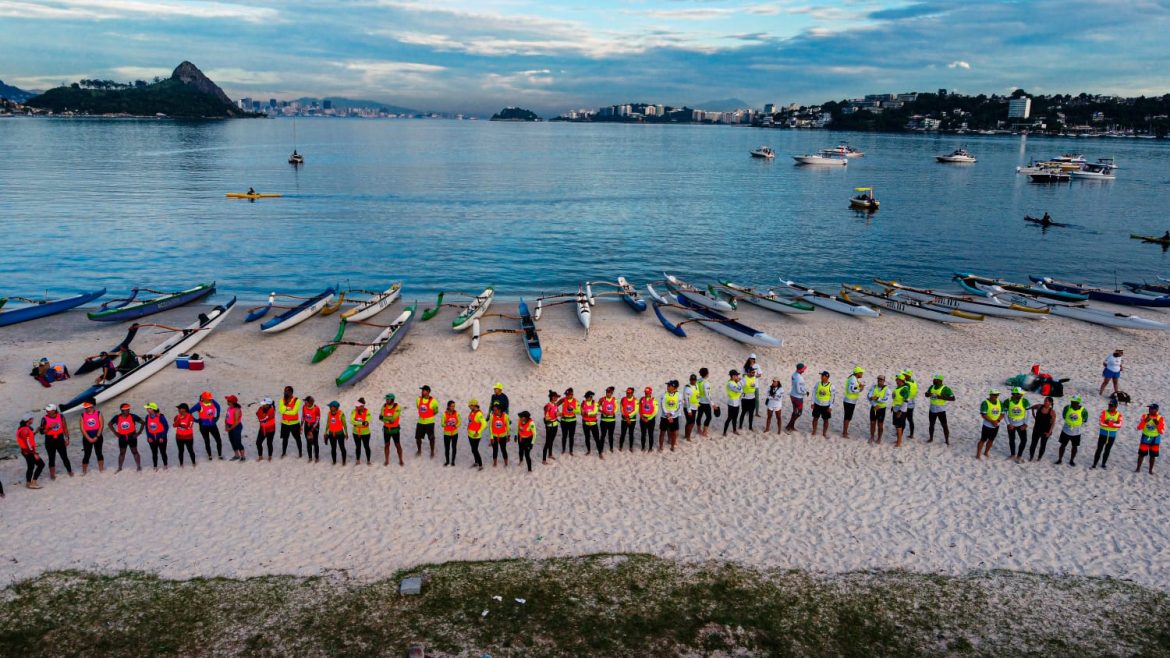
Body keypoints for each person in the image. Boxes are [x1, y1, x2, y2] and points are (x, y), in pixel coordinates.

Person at [39, 403, 72, 479]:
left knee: (64, 457)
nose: (47, 411)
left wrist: (67, 438)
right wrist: (49, 427)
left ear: (54, 410)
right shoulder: (44, 419)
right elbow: (41, 432)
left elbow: (65, 428)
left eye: (48, 410)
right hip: (50, 440)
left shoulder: (61, 416)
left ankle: (70, 471)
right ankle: (52, 475)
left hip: (60, 439)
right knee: (51, 458)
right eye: (46, 410)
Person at [107, 402, 144, 472]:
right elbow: (109, 424)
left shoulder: (133, 416)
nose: (128, 411)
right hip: (122, 437)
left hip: (132, 436)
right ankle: (120, 467)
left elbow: (143, 422)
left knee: (135, 451)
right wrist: (115, 433)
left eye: (128, 409)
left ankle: (139, 466)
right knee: (122, 453)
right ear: (122, 410)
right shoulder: (117, 417)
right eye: (126, 410)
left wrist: (139, 433)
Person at [1055, 395, 1087, 466]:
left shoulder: (1083, 410)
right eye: (1071, 401)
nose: (1072, 402)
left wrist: (1075, 423)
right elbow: (1064, 416)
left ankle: (1072, 460)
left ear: (1078, 402)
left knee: (1074, 446)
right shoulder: (1067, 407)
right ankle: (1060, 459)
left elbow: (1085, 419)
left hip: (1076, 432)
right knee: (1062, 445)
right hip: (1066, 430)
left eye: (1073, 401)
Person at [1092, 397, 1123, 469]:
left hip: (1112, 435)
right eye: (1109, 405)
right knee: (1099, 449)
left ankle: (1103, 464)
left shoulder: (1119, 415)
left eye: (1111, 406)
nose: (1109, 407)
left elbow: (1119, 425)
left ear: (1115, 407)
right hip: (1103, 434)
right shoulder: (1104, 412)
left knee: (1107, 450)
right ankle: (1094, 464)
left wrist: (1108, 422)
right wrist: (1114, 423)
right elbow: (1101, 423)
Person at [192, 391, 223, 460]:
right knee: (207, 441)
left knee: (218, 440)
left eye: (210, 398)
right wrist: (196, 420)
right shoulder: (199, 405)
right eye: (208, 398)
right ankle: (210, 456)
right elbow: (189, 412)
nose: (210, 399)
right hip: (203, 426)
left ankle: (220, 455)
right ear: (203, 398)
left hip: (213, 425)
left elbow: (218, 407)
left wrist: (217, 416)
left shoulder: (212, 401)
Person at [77, 398, 105, 475]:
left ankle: (101, 470)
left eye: (87, 407)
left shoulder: (98, 413)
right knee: (87, 454)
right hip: (87, 437)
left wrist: (97, 437)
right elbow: (82, 428)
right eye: (85, 408)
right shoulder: (82, 415)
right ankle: (84, 471)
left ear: (91, 407)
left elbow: (101, 426)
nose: (86, 409)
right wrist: (88, 438)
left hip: (98, 436)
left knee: (99, 453)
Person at [924, 374, 955, 444]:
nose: (933, 380)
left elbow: (953, 398)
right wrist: (928, 394)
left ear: (940, 381)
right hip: (932, 409)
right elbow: (926, 394)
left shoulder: (945, 389)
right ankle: (931, 438)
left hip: (941, 410)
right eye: (934, 379)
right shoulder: (932, 387)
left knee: (944, 425)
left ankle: (947, 440)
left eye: (935, 379)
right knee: (931, 424)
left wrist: (940, 397)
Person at [18, 415, 45, 489]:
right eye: (31, 419)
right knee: (41, 464)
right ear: (28, 420)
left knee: (31, 467)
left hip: (26, 451)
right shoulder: (25, 430)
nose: (33, 419)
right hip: (28, 452)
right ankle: (33, 482)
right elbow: (27, 442)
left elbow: (28, 437)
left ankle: (28, 483)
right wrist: (34, 453)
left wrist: (36, 431)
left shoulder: (23, 428)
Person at [1135, 403, 1163, 474]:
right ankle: (1138, 468)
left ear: (1156, 410)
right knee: (1141, 454)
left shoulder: (1160, 418)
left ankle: (1150, 470)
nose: (1150, 410)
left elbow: (1161, 431)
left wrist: (1158, 424)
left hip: (1155, 439)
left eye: (1152, 409)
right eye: (1149, 408)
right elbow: (1139, 428)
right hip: (1145, 437)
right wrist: (1144, 421)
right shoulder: (1144, 416)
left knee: (1153, 456)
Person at [1005, 387, 1031, 463]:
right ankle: (1012, 454)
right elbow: (1005, 414)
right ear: (1015, 394)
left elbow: (1029, 413)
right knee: (1012, 440)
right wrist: (1008, 424)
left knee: (1024, 440)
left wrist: (1026, 424)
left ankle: (1019, 456)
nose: (1021, 395)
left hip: (1021, 424)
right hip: (1011, 424)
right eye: (1020, 394)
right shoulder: (1007, 401)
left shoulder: (1025, 401)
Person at [976, 389, 1003, 461]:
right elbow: (983, 414)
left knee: (991, 440)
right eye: (994, 395)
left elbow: (1002, 413)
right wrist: (992, 421)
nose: (996, 396)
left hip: (996, 425)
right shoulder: (985, 403)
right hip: (987, 425)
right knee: (983, 440)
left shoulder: (1000, 403)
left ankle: (986, 452)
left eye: (997, 395)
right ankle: (978, 454)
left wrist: (997, 420)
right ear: (990, 395)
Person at [278, 386, 303, 459]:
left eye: (288, 391)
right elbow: (281, 411)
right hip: (285, 423)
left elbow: (294, 412)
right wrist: (288, 408)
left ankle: (300, 452)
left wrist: (285, 410)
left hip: (294, 423)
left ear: (291, 392)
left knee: (297, 438)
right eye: (285, 391)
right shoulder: (281, 401)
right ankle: (284, 452)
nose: (286, 392)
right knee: (285, 439)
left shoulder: (297, 400)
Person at [1028, 397, 1057, 461]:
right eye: (1045, 401)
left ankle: (1039, 457)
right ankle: (1031, 457)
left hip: (1045, 431)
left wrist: (1049, 432)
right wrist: (1032, 412)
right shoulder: (1039, 406)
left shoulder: (1052, 411)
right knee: (1033, 444)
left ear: (1050, 403)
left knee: (1043, 445)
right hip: (1036, 429)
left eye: (1047, 401)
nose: (1045, 402)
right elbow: (1033, 407)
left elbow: (1053, 423)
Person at [380, 393, 404, 466]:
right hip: (386, 429)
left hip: (395, 430)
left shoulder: (397, 407)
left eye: (388, 399)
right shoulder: (384, 406)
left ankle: (400, 460)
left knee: (397, 445)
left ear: (392, 399)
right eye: (386, 399)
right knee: (386, 445)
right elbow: (380, 417)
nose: (386, 401)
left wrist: (385, 419)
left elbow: (393, 418)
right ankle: (386, 460)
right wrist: (388, 420)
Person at [415, 385, 439, 458]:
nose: (422, 392)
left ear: (428, 392)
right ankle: (419, 450)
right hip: (420, 422)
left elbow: (436, 411)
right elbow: (418, 407)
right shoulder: (418, 399)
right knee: (418, 438)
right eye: (422, 390)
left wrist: (429, 416)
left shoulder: (434, 401)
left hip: (430, 423)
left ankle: (432, 451)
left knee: (431, 438)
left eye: (424, 390)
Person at [867, 375, 891, 445]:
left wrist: (877, 398)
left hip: (881, 409)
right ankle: (872, 436)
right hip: (874, 407)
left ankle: (879, 438)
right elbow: (869, 396)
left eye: (881, 380)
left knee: (880, 425)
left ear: (884, 381)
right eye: (878, 380)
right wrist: (875, 405)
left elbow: (886, 400)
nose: (879, 381)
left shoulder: (887, 389)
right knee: (872, 423)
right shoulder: (873, 387)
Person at [810, 371, 835, 439]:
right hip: (817, 404)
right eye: (821, 376)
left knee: (826, 420)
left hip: (826, 406)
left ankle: (824, 433)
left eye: (822, 376)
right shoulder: (818, 384)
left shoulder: (831, 386)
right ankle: (814, 431)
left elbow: (833, 397)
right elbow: (813, 394)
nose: (821, 377)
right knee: (815, 418)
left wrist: (830, 407)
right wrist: (812, 403)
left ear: (827, 377)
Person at [784, 364, 808, 433]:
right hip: (797, 397)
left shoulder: (794, 374)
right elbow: (799, 391)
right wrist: (805, 392)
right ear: (801, 370)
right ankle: (789, 425)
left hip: (793, 395)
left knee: (795, 412)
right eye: (803, 369)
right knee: (799, 413)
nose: (804, 370)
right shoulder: (799, 378)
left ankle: (791, 426)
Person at [841, 367, 864, 439]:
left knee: (848, 417)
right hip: (849, 401)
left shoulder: (854, 378)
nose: (862, 374)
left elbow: (853, 388)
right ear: (857, 373)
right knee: (847, 417)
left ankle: (845, 432)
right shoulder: (853, 379)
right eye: (861, 372)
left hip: (851, 401)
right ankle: (844, 433)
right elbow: (851, 390)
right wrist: (860, 389)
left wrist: (859, 386)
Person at [659, 380, 681, 452]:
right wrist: (667, 414)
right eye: (667, 385)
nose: (667, 387)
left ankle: (672, 446)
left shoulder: (679, 395)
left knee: (674, 433)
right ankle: (661, 447)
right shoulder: (664, 394)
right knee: (662, 433)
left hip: (674, 417)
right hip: (664, 416)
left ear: (674, 388)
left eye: (669, 386)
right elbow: (662, 405)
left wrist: (671, 414)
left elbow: (679, 407)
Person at [890, 374, 911, 447]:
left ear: (901, 380)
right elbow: (896, 398)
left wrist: (900, 411)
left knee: (899, 426)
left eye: (897, 379)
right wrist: (893, 407)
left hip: (900, 409)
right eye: (896, 379)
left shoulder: (904, 389)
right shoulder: (898, 387)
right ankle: (899, 440)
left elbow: (906, 401)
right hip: (896, 408)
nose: (896, 380)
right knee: (896, 425)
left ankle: (898, 443)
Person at [324, 401, 348, 465]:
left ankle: (344, 461)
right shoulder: (329, 413)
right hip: (331, 434)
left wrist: (346, 433)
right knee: (333, 448)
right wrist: (325, 432)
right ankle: (334, 461)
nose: (329, 407)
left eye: (330, 406)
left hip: (340, 433)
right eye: (329, 406)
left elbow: (344, 424)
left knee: (342, 447)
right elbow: (328, 423)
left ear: (335, 407)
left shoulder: (341, 414)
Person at [173, 403, 197, 467]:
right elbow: (174, 425)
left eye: (179, 408)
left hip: (188, 437)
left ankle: (193, 463)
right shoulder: (177, 416)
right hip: (179, 437)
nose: (178, 410)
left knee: (190, 450)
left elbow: (189, 426)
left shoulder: (190, 416)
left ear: (184, 409)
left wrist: (180, 424)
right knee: (180, 451)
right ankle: (181, 464)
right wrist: (179, 419)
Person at [224, 395, 246, 462]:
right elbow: (227, 417)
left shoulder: (237, 410)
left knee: (238, 442)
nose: (227, 402)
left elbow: (236, 422)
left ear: (232, 402)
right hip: (230, 426)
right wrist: (226, 425)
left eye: (228, 401)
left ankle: (243, 456)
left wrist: (229, 428)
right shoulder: (229, 408)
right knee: (232, 441)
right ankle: (237, 455)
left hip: (236, 427)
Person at [351, 398, 372, 465]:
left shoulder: (367, 412)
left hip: (365, 433)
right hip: (356, 432)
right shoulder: (354, 411)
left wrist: (357, 422)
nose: (356, 407)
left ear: (362, 406)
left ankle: (368, 460)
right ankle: (358, 460)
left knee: (366, 446)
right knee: (358, 446)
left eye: (358, 406)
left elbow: (367, 422)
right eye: (356, 406)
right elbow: (352, 421)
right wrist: (362, 423)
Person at [489, 402, 509, 467]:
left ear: (499, 410)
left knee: (503, 449)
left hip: (502, 436)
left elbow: (508, 426)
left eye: (495, 410)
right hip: (494, 436)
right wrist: (491, 437)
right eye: (493, 410)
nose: (494, 411)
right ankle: (495, 463)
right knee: (495, 450)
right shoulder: (492, 416)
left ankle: (506, 462)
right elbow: (490, 427)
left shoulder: (505, 416)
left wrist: (508, 435)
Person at [466, 400, 485, 470]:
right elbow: (471, 421)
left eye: (470, 406)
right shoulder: (472, 412)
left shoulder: (478, 414)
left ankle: (480, 465)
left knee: (475, 450)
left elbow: (484, 424)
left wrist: (478, 432)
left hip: (476, 435)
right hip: (470, 434)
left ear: (474, 405)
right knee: (473, 450)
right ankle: (476, 462)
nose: (469, 407)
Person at [559, 388, 579, 455]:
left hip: (572, 421)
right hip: (564, 421)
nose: (566, 396)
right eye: (566, 394)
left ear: (572, 394)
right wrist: (558, 413)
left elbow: (578, 411)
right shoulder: (563, 399)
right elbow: (555, 406)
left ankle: (571, 450)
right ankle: (563, 449)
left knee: (571, 436)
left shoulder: (575, 401)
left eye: (568, 394)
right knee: (564, 436)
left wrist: (572, 409)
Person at [542, 390, 559, 464]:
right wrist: (555, 415)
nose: (557, 398)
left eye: (557, 397)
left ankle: (550, 454)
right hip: (549, 426)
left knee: (551, 441)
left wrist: (559, 414)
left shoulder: (555, 405)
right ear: (552, 397)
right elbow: (546, 417)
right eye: (556, 397)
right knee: (547, 442)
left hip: (555, 425)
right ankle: (544, 459)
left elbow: (556, 413)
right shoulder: (547, 406)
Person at [581, 391, 601, 457]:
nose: (587, 398)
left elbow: (595, 413)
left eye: (588, 397)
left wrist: (587, 413)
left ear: (591, 397)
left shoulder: (595, 403)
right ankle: (588, 450)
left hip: (593, 424)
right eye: (586, 397)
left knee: (597, 438)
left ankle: (600, 453)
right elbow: (582, 413)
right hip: (585, 424)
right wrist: (589, 414)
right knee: (587, 438)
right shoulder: (583, 403)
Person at [723, 370, 742, 436]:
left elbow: (740, 390)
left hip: (737, 402)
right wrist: (739, 382)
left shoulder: (734, 382)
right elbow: (739, 390)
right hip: (732, 403)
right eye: (737, 375)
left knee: (735, 418)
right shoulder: (731, 383)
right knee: (729, 418)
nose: (738, 376)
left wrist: (738, 383)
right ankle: (724, 432)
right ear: (733, 376)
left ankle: (734, 430)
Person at [301, 396, 320, 463]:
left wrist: (312, 430)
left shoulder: (316, 408)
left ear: (311, 402)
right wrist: (301, 425)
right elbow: (303, 416)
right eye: (305, 401)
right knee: (308, 441)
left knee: (315, 441)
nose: (305, 403)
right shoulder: (304, 407)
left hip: (314, 426)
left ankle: (317, 457)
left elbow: (317, 420)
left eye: (306, 402)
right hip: (307, 425)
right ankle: (310, 457)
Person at [639, 386, 659, 450]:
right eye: (645, 392)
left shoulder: (654, 400)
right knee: (643, 434)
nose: (646, 394)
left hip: (650, 419)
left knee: (650, 434)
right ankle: (643, 447)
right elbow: (639, 409)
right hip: (643, 419)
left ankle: (650, 448)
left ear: (650, 393)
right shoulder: (642, 399)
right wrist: (642, 417)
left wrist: (649, 418)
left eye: (647, 393)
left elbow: (655, 411)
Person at [599, 386, 618, 451]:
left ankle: (611, 448)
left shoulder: (614, 400)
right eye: (607, 392)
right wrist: (602, 411)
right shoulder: (602, 399)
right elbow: (597, 408)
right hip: (604, 420)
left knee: (611, 435)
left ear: (612, 393)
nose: (608, 394)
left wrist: (611, 413)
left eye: (609, 392)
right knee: (602, 436)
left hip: (612, 420)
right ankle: (601, 449)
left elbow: (616, 409)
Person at [696, 368, 713, 437]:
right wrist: (712, 404)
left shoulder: (698, 381)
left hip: (699, 401)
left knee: (699, 416)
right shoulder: (706, 383)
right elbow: (707, 395)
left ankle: (699, 429)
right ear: (706, 374)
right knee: (709, 417)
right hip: (705, 402)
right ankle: (704, 431)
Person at [441, 400, 459, 466]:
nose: (453, 407)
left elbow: (459, 422)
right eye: (452, 406)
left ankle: (453, 461)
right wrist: (447, 424)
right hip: (447, 434)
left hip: (455, 433)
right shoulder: (444, 414)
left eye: (454, 406)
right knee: (447, 448)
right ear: (448, 406)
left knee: (454, 447)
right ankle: (447, 461)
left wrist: (456, 425)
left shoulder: (456, 413)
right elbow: (442, 424)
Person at [902, 370, 919, 438]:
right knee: (910, 419)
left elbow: (904, 393)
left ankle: (901, 433)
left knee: (903, 419)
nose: (903, 376)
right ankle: (911, 434)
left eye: (904, 375)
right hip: (912, 401)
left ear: (909, 375)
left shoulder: (907, 384)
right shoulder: (914, 382)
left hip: (907, 402)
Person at [683, 375, 699, 440]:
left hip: (694, 407)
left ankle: (686, 435)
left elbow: (697, 395)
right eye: (692, 380)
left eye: (694, 380)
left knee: (689, 422)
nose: (693, 381)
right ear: (690, 380)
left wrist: (698, 403)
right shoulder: (688, 388)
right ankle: (688, 437)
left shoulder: (696, 385)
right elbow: (687, 400)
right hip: (689, 408)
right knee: (691, 423)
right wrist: (689, 411)